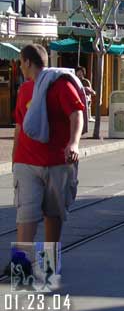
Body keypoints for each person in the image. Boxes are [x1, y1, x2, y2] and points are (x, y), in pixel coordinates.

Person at [10, 44, 85, 270]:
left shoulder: (60, 85)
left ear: (28, 62)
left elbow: (76, 114)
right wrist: (15, 159)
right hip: (27, 161)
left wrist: (74, 143)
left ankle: (50, 264)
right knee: (27, 212)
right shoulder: (24, 90)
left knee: (53, 213)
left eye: (21, 63)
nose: (20, 67)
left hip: (57, 161)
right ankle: (21, 263)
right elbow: (19, 127)